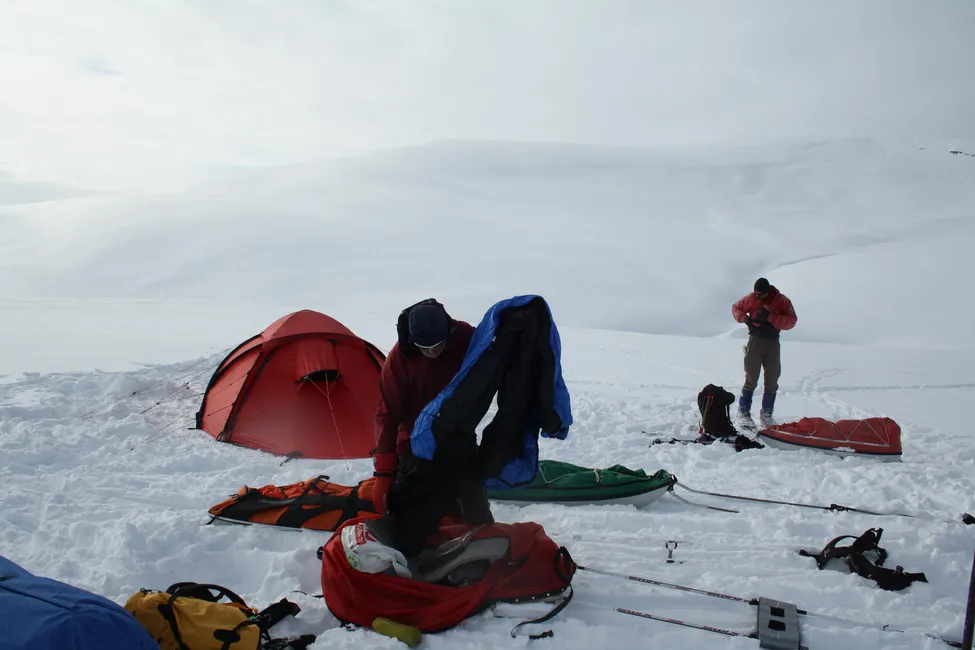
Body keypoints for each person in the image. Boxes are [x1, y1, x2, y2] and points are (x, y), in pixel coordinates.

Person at [370, 299, 493, 555]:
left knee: (472, 495)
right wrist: (383, 471)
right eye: (425, 348)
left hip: (457, 435)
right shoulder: (399, 358)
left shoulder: (465, 337)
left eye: (438, 345)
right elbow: (387, 414)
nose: (433, 352)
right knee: (411, 507)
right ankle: (413, 551)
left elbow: (493, 354)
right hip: (413, 441)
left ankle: (483, 546)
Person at [732, 277, 797, 426]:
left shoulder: (782, 301)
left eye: (761, 294)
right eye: (756, 294)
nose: (758, 297)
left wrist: (771, 317)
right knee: (751, 377)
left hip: (772, 342)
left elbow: (792, 321)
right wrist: (745, 319)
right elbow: (736, 308)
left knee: (772, 379)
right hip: (755, 340)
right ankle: (743, 412)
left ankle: (766, 414)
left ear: (768, 291)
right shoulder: (751, 298)